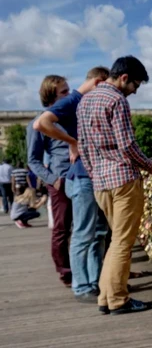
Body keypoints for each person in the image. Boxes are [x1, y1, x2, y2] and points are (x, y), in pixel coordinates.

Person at [77, 56, 152, 315]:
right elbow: (127, 145)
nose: (135, 91)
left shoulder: (85, 101)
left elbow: (83, 147)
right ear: (124, 78)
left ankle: (105, 297)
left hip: (101, 183)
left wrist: (94, 175)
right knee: (123, 242)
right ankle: (118, 300)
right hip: (123, 180)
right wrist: (149, 166)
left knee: (116, 241)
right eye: (136, 85)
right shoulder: (117, 100)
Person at [33, 67, 110, 302]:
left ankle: (93, 281)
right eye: (62, 91)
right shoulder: (72, 102)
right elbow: (40, 127)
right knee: (78, 232)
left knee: (95, 232)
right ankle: (79, 283)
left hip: (86, 175)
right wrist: (73, 143)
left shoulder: (79, 102)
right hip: (73, 177)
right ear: (98, 83)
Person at [28, 75, 74, 286]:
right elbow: (33, 160)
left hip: (83, 176)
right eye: (64, 92)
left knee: (90, 227)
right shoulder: (38, 123)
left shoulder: (73, 116)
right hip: (62, 179)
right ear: (51, 97)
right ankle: (66, 273)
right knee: (62, 228)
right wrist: (52, 180)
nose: (69, 94)